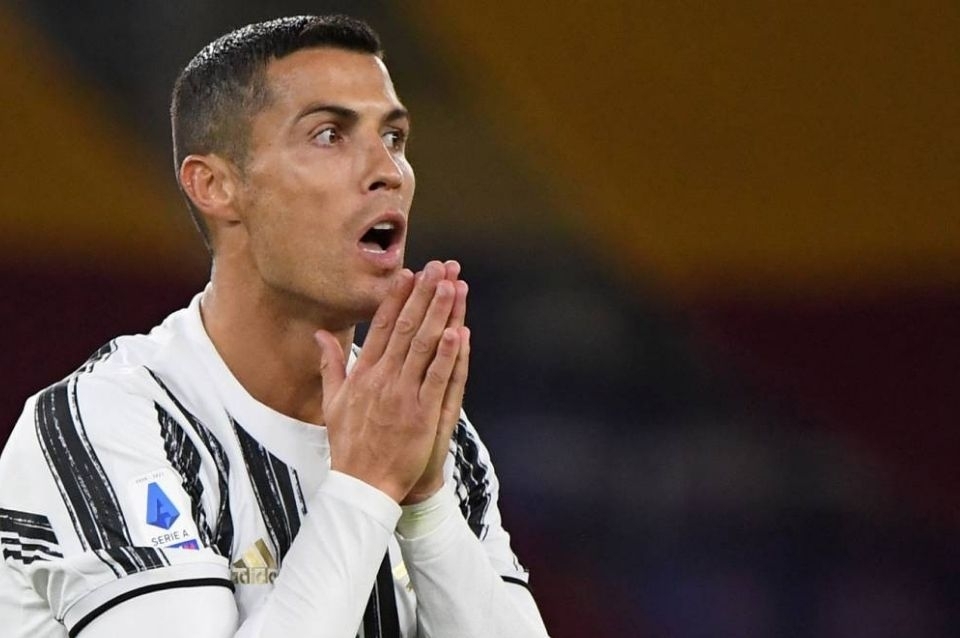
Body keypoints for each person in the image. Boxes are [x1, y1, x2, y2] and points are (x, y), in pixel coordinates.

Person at [0, 14, 550, 638]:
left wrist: (425, 505)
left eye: (394, 137)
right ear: (215, 186)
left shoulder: (422, 433)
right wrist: (367, 486)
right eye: (329, 135)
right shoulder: (105, 421)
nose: (389, 171)